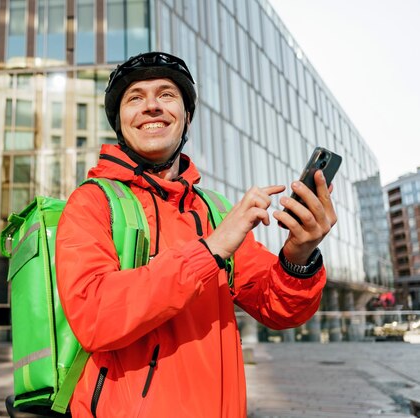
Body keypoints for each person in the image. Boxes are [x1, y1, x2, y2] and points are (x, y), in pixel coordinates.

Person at [55, 52, 336, 418]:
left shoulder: (214, 210)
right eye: (135, 98)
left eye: (167, 95)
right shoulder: (92, 201)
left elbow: (277, 308)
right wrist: (212, 249)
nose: (151, 106)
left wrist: (299, 256)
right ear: (120, 122)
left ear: (186, 117)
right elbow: (94, 319)